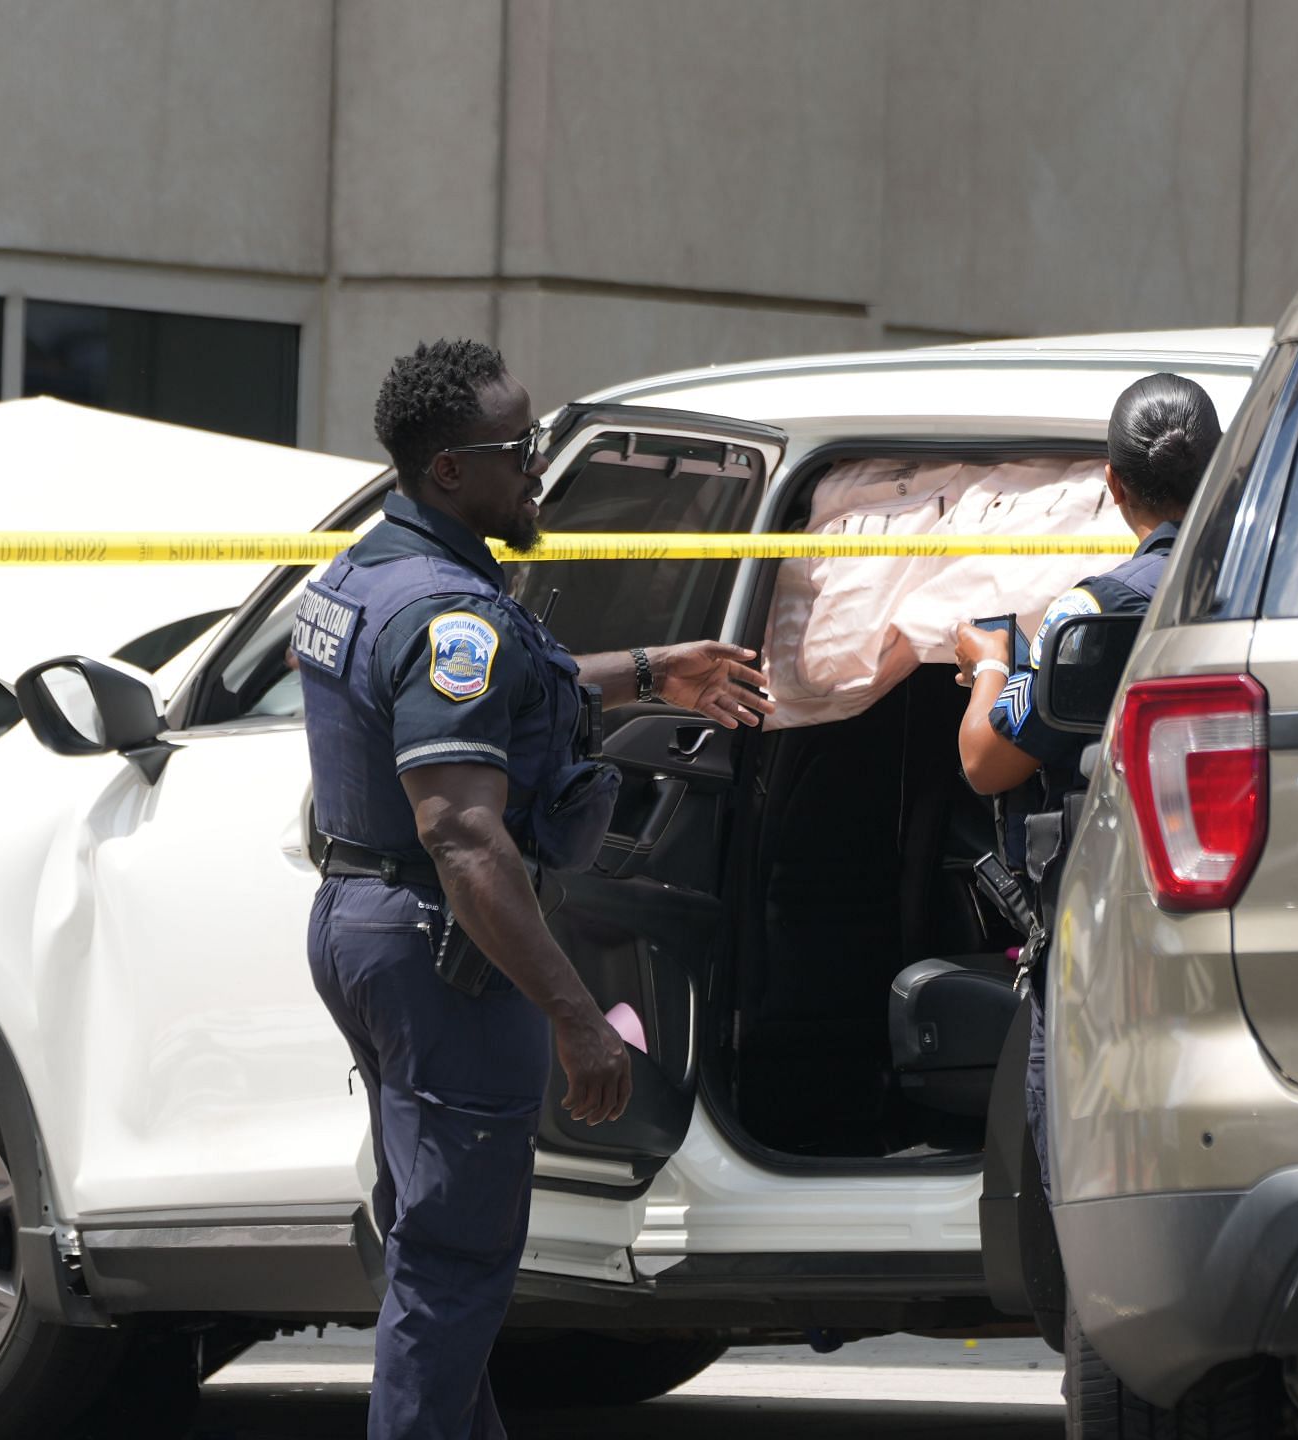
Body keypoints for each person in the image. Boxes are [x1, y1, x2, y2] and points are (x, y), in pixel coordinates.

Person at [297, 338, 773, 1440]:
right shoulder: (448, 617)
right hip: (442, 945)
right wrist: (578, 1020)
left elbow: (518, 692)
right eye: (521, 450)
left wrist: (655, 672)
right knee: (455, 1260)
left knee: (434, 1234)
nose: (540, 470)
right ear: (451, 472)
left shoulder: (373, 571)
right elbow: (465, 834)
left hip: (367, 922)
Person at [949, 372, 1222, 1193]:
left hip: (1108, 938)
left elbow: (984, 761)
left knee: (1084, 1189)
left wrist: (993, 663)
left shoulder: (1090, 615)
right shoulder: (1270, 591)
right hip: (1242, 916)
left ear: (1113, 484)